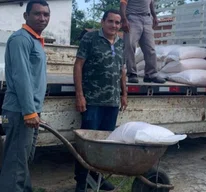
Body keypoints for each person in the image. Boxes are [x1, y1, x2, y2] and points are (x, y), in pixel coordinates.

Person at [73, 9, 128, 192]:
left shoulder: (121, 43)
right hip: (92, 102)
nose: (114, 25)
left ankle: (98, 177)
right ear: (102, 22)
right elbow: (78, 65)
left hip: (112, 103)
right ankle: (81, 182)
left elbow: (122, 70)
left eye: (117, 23)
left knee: (105, 144)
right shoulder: (90, 39)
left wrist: (124, 94)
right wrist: (80, 95)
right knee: (87, 144)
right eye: (110, 21)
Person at [0, 1, 50, 191]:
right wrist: (29, 112)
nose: (43, 18)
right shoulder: (21, 39)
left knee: (22, 161)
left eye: (46, 14)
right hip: (19, 112)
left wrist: (35, 110)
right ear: (26, 16)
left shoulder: (35, 40)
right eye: (37, 14)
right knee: (16, 163)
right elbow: (21, 78)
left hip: (27, 111)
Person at [120, 0, 166, 84]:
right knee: (130, 46)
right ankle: (132, 74)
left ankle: (151, 74)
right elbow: (123, 3)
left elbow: (151, 3)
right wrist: (123, 19)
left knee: (150, 48)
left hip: (147, 19)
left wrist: (154, 16)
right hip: (132, 18)